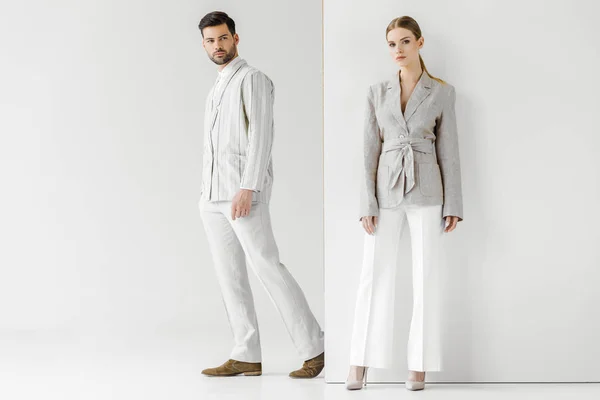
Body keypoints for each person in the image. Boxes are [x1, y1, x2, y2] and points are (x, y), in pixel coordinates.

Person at [196, 11, 325, 379]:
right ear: (203, 44)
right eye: (210, 40)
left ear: (236, 38)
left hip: (241, 193)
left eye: (222, 38)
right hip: (212, 197)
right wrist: (204, 195)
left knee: (267, 266)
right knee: (229, 275)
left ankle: (314, 347)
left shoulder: (253, 79)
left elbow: (261, 138)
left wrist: (248, 187)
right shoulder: (217, 86)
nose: (217, 46)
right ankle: (246, 353)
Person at [345, 15, 464, 391]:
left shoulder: (442, 92)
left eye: (405, 42)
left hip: (428, 191)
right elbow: (368, 151)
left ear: (420, 42)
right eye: (392, 44)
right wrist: (367, 201)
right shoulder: (376, 92)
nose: (398, 50)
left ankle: (420, 365)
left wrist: (453, 204)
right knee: (373, 275)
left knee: (426, 277)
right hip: (385, 191)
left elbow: (450, 152)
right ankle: (360, 361)